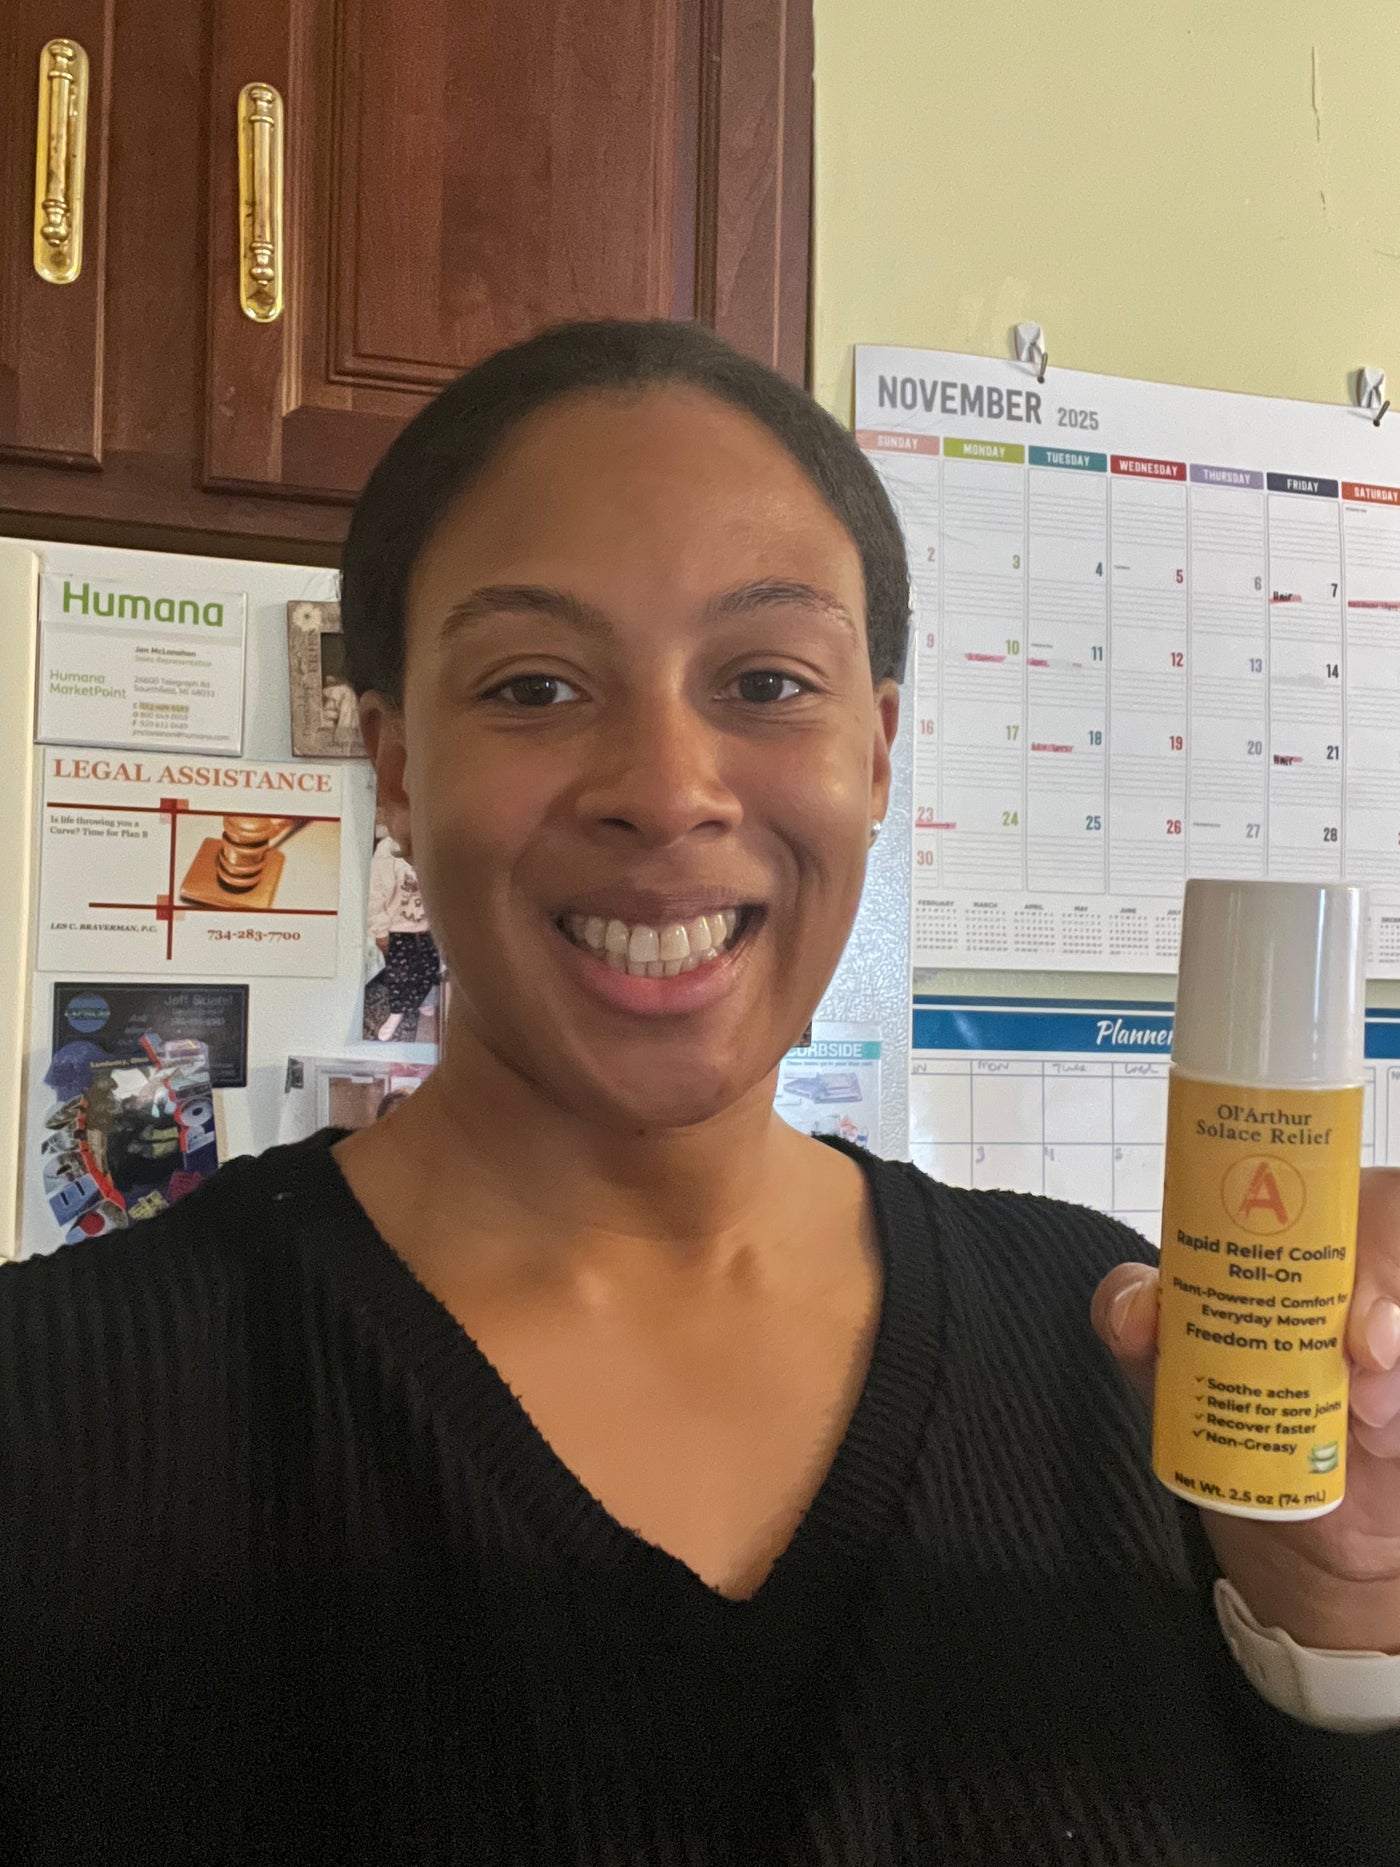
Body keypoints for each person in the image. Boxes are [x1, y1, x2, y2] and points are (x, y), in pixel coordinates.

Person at [3, 321, 1400, 1865]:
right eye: (536, 685)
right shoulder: (55, 1417)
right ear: (397, 769)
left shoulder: (1123, 1356)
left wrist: (1338, 1622)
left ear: (877, 752)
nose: (667, 791)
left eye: (766, 681)